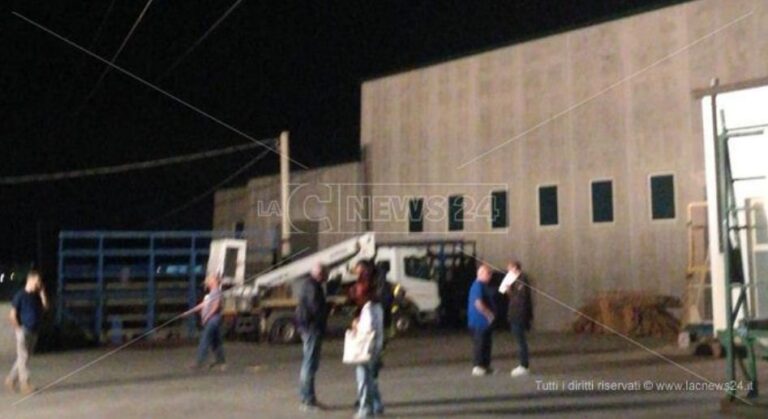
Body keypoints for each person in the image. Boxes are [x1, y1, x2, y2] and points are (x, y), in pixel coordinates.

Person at [5, 270, 48, 394]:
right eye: (38, 281)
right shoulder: (20, 295)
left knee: (24, 357)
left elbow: (45, 307)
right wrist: (18, 329)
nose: (39, 283)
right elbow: (12, 314)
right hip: (23, 330)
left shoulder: (36, 296)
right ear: (31, 280)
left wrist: (42, 294)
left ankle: (11, 379)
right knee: (23, 356)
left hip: (34, 330)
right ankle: (25, 383)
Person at [296, 263, 328, 412]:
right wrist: (325, 312)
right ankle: (307, 400)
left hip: (308, 327)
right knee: (309, 365)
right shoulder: (313, 287)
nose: (327, 276)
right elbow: (315, 307)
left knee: (309, 364)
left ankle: (309, 398)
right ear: (320, 274)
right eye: (325, 273)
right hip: (312, 328)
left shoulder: (310, 285)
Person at [351, 281, 384, 418]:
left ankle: (365, 409)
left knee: (363, 380)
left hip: (366, 349)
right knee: (371, 378)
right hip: (376, 347)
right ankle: (377, 405)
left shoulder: (368, 309)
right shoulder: (378, 307)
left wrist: (356, 326)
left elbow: (368, 329)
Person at [185, 275, 226, 371]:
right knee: (216, 341)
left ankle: (199, 362)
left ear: (213, 282)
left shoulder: (216, 292)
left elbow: (216, 305)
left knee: (205, 339)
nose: (206, 283)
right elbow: (203, 305)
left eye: (208, 281)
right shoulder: (211, 293)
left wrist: (207, 317)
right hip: (213, 319)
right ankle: (221, 362)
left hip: (212, 319)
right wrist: (189, 312)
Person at [499, 261, 532, 377]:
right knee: (518, 339)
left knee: (520, 340)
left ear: (515, 268)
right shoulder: (515, 280)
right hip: (514, 313)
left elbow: (521, 298)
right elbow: (513, 297)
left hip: (519, 314)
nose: (508, 271)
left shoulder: (522, 280)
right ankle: (522, 364)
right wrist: (508, 290)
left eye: (510, 269)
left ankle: (524, 365)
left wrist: (510, 290)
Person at [467, 264, 496, 377]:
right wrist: (489, 314)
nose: (490, 276)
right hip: (478, 321)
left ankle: (485, 366)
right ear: (481, 274)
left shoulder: (484, 286)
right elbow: (478, 303)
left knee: (486, 344)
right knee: (480, 344)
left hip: (485, 322)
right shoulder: (477, 286)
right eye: (488, 274)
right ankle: (477, 366)